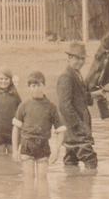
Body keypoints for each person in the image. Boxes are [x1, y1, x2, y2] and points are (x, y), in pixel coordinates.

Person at [12, 71, 66, 179]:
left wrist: (56, 150)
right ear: (29, 87)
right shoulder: (24, 105)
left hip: (43, 146)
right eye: (33, 86)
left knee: (42, 180)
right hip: (27, 146)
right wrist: (14, 150)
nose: (36, 88)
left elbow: (61, 130)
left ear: (44, 85)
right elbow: (16, 128)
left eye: (39, 85)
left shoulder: (51, 107)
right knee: (28, 179)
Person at [57, 42, 101, 170]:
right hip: (76, 129)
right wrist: (79, 125)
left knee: (71, 160)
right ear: (69, 58)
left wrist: (93, 95)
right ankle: (87, 187)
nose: (80, 62)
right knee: (90, 160)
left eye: (82, 59)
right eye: (77, 58)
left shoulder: (76, 74)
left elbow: (80, 98)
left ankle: (72, 187)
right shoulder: (66, 77)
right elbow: (64, 106)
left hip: (73, 130)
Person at [0, 67, 21, 154]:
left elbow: (20, 111)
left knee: (14, 157)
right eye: (1, 79)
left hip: (12, 132)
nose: (3, 81)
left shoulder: (15, 95)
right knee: (0, 159)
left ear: (10, 80)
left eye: (6, 79)